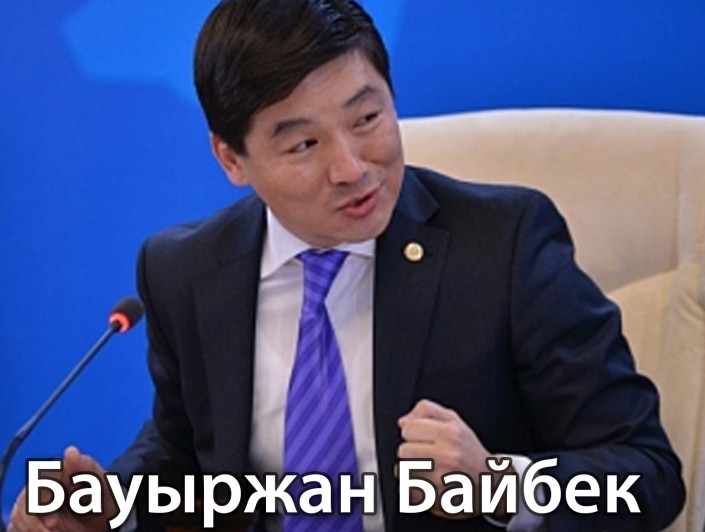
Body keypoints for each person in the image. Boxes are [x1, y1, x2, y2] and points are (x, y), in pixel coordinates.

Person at [9, 0, 685, 530]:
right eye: (303, 144)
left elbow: (646, 474)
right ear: (231, 159)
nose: (353, 168)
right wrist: (114, 507)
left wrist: (498, 484)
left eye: (366, 119)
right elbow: (183, 452)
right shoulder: (184, 269)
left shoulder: (504, 244)